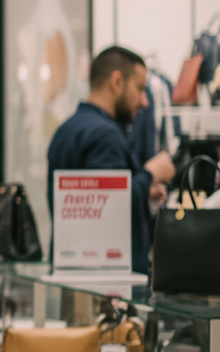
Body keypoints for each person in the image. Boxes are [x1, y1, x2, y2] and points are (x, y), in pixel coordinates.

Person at [47, 46, 176, 274]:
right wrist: (150, 174)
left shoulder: (67, 129)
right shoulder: (105, 136)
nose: (145, 102)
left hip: (72, 268)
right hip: (104, 278)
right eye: (139, 88)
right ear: (116, 82)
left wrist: (142, 188)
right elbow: (108, 205)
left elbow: (86, 197)